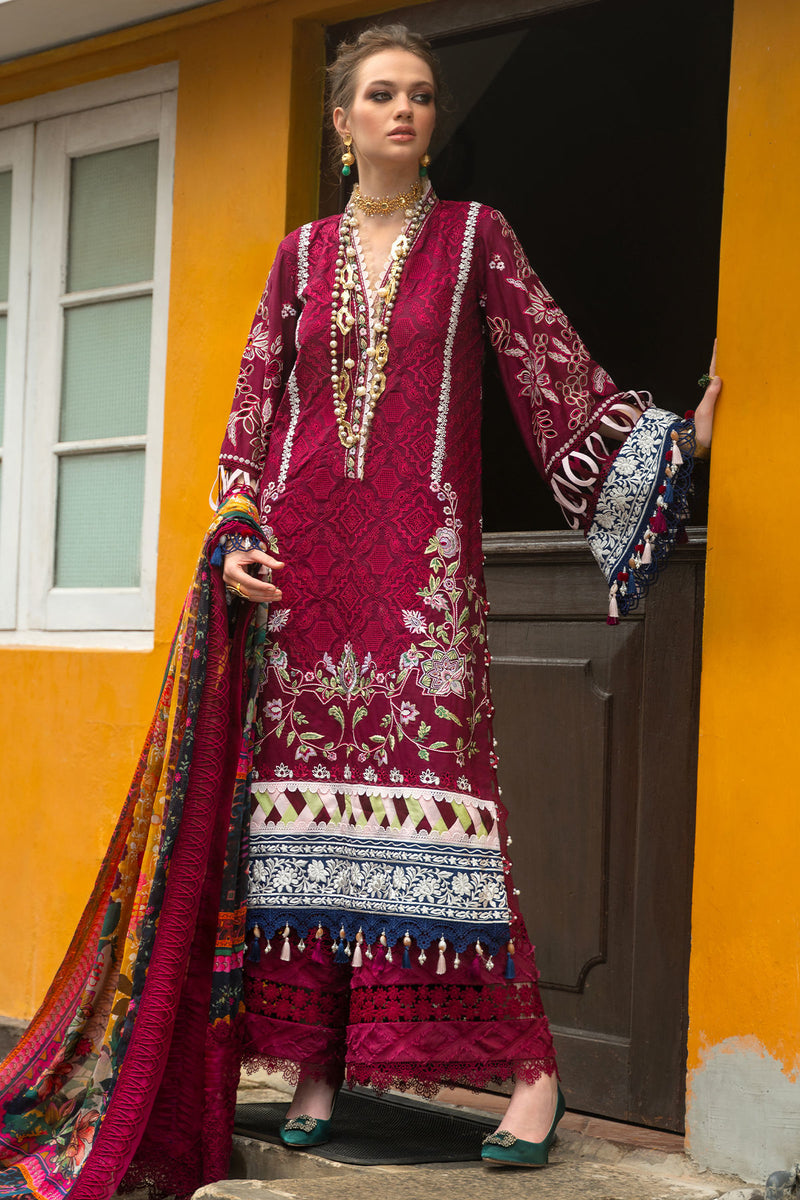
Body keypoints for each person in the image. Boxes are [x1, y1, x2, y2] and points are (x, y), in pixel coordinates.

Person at [0, 22, 720, 1200]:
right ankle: (316, 1062)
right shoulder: (297, 257)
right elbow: (250, 412)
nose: (403, 111)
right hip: (303, 574)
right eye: (380, 94)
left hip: (419, 575)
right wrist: (236, 533)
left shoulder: (476, 238)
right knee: (301, 827)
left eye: (421, 95)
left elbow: (548, 373)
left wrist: (660, 447)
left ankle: (528, 1071)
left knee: (450, 819)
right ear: (341, 123)